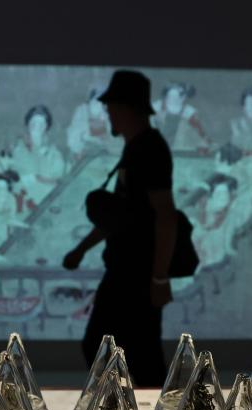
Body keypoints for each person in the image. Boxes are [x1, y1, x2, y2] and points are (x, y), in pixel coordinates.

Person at [63, 70, 177, 387]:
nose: (108, 114)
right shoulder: (136, 149)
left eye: (111, 107)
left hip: (135, 275)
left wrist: (158, 278)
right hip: (126, 271)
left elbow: (166, 216)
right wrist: (80, 250)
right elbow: (120, 217)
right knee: (125, 351)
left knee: (132, 354)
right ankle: (125, 408)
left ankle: (129, 409)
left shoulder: (150, 149)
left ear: (127, 108)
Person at [8, 105, 66, 210]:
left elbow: (57, 179)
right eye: (33, 123)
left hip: (47, 205)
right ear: (28, 125)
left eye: (41, 124)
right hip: (23, 204)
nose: (37, 127)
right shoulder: (17, 150)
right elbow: (13, 178)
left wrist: (37, 178)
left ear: (46, 127)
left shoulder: (53, 153)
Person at [152, 81, 211, 154]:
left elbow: (184, 101)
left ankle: (204, 141)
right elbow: (164, 97)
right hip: (166, 107)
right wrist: (163, 110)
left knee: (195, 121)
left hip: (178, 108)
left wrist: (182, 110)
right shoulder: (171, 91)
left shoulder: (183, 93)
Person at [66, 87, 117, 161]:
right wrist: (78, 151)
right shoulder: (82, 110)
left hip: (102, 154)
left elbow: (108, 139)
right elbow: (74, 135)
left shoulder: (107, 114)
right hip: (83, 154)